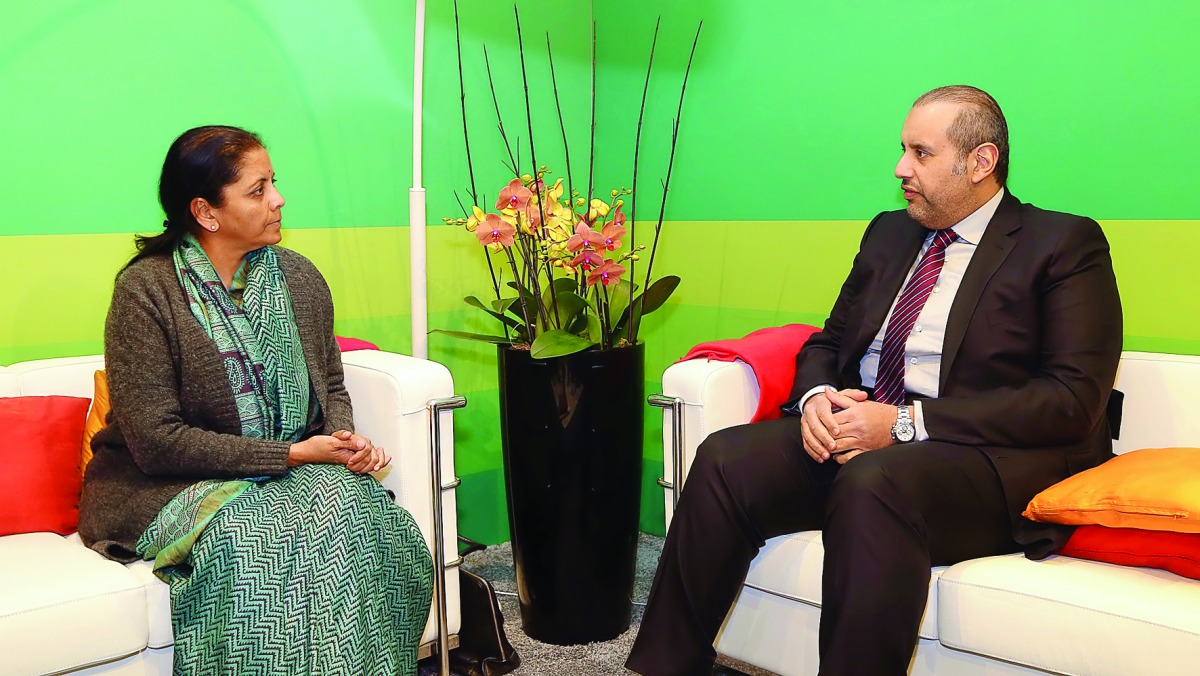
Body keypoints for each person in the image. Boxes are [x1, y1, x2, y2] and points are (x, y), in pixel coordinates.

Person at [626, 85, 1123, 675]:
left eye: (920, 153)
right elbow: (830, 341)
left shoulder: (1062, 243)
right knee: (725, 458)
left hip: (985, 460)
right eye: (903, 150)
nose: (900, 169)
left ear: (981, 162)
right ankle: (665, 666)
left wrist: (906, 423)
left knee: (875, 479)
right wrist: (815, 397)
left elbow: (1072, 400)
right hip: (869, 437)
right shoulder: (891, 233)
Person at [79, 126, 434, 675]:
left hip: (290, 468)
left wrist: (343, 439)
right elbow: (156, 442)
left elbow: (331, 385)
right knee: (258, 544)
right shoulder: (145, 292)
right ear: (206, 211)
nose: (278, 200)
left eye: (275, 183)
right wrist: (292, 456)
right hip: (165, 485)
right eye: (258, 189)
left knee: (367, 519)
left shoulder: (299, 278)